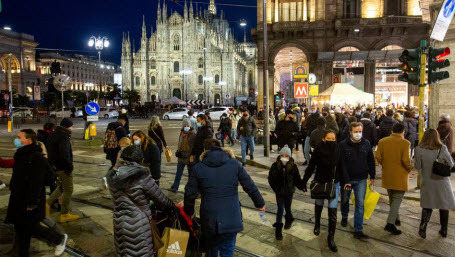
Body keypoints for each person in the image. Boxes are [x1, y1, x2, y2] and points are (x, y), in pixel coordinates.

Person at [184, 139, 265, 257]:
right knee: (227, 251)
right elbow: (249, 186)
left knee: (211, 251)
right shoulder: (234, 164)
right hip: (231, 217)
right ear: (221, 148)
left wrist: (189, 212)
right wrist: (260, 203)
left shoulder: (199, 167)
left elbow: (189, 193)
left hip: (209, 219)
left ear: (205, 151)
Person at [106, 145, 178, 257]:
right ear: (140, 159)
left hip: (119, 222)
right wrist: (173, 206)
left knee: (125, 252)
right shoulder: (141, 176)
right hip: (139, 224)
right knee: (141, 251)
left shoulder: (113, 176)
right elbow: (160, 198)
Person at [6, 129, 67, 256]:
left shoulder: (36, 158)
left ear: (28, 141)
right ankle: (20, 252)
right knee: (21, 227)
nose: (16, 139)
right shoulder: (21, 155)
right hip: (19, 197)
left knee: (30, 227)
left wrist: (32, 203)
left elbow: (37, 183)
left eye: (19, 137)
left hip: (29, 200)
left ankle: (58, 239)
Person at [302, 130, 341, 252]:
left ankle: (331, 237)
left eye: (333, 139)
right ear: (324, 139)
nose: (331, 141)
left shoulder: (338, 150)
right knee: (319, 204)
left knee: (332, 210)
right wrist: (304, 181)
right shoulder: (318, 150)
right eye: (328, 139)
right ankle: (317, 224)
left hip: (334, 183)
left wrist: (347, 182)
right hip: (320, 181)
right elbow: (311, 167)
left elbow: (343, 167)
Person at [414, 129, 455, 239]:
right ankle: (444, 230)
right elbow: (451, 164)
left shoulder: (418, 149)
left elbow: (417, 167)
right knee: (444, 205)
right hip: (442, 181)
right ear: (437, 137)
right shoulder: (442, 148)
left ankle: (423, 225)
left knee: (427, 205)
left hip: (427, 181)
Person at [339, 122, 376, 239]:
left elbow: (371, 160)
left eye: (360, 131)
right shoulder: (343, 145)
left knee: (360, 204)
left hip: (361, 179)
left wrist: (373, 176)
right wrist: (346, 180)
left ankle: (358, 230)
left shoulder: (366, 143)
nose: (358, 134)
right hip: (347, 179)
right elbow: (342, 165)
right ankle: (344, 216)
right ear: (350, 132)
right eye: (356, 131)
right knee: (345, 200)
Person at [375, 123, 412, 235]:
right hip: (400, 175)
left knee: (392, 198)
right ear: (403, 132)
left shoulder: (382, 141)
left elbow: (378, 157)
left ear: (392, 131)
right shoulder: (406, 143)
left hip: (387, 174)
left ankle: (396, 218)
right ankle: (390, 223)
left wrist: (386, 165)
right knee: (397, 198)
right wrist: (410, 168)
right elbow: (405, 160)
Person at [46, 118, 79, 223]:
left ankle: (46, 204)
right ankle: (64, 214)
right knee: (68, 190)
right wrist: (69, 167)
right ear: (68, 126)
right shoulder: (63, 136)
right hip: (63, 167)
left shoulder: (54, 134)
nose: (72, 128)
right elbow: (64, 154)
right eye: (72, 126)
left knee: (62, 187)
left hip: (55, 166)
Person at [268, 145, 303, 240]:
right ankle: (278, 230)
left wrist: (301, 186)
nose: (284, 157)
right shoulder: (275, 166)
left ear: (289, 157)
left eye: (286, 156)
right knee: (280, 209)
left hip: (289, 192)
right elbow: (270, 179)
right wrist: (276, 188)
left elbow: (297, 179)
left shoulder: (293, 166)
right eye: (282, 155)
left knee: (288, 208)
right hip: (279, 192)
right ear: (280, 156)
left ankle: (289, 219)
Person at [170, 119, 196, 192]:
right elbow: (179, 143)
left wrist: (192, 155)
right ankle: (175, 187)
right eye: (185, 125)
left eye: (188, 125)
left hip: (189, 157)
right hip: (181, 157)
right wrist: (178, 151)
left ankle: (190, 189)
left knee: (190, 175)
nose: (187, 127)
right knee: (178, 174)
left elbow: (194, 146)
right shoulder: (181, 133)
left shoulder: (193, 134)